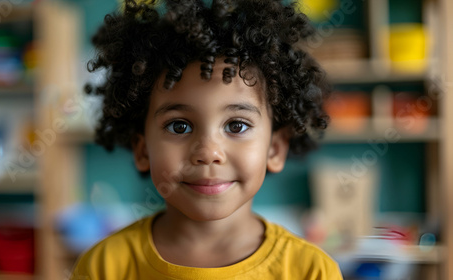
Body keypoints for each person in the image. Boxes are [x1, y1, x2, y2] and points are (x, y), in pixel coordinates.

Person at [71, 0, 343, 279]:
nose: (208, 152)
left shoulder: (311, 271)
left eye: (236, 125)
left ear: (274, 149)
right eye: (179, 127)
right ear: (143, 151)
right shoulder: (103, 267)